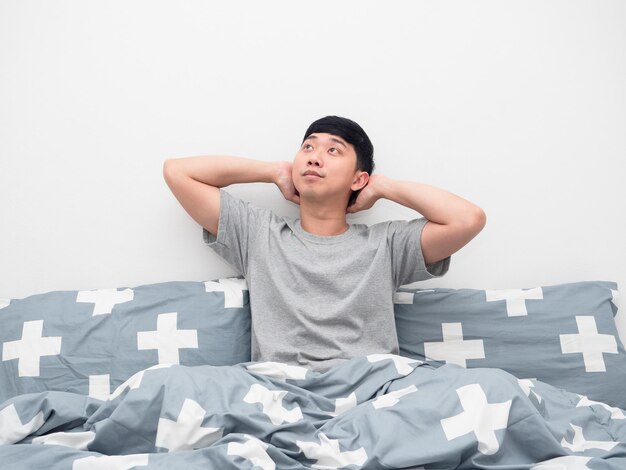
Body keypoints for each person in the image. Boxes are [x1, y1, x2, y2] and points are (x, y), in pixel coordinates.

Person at [163, 115, 486, 373]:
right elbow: (178, 172)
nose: (315, 158)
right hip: (282, 389)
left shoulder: (386, 244)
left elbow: (467, 218)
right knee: (165, 386)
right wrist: (272, 171)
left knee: (492, 388)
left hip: (370, 387)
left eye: (333, 150)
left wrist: (384, 187)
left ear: (358, 179)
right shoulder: (258, 233)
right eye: (308, 148)